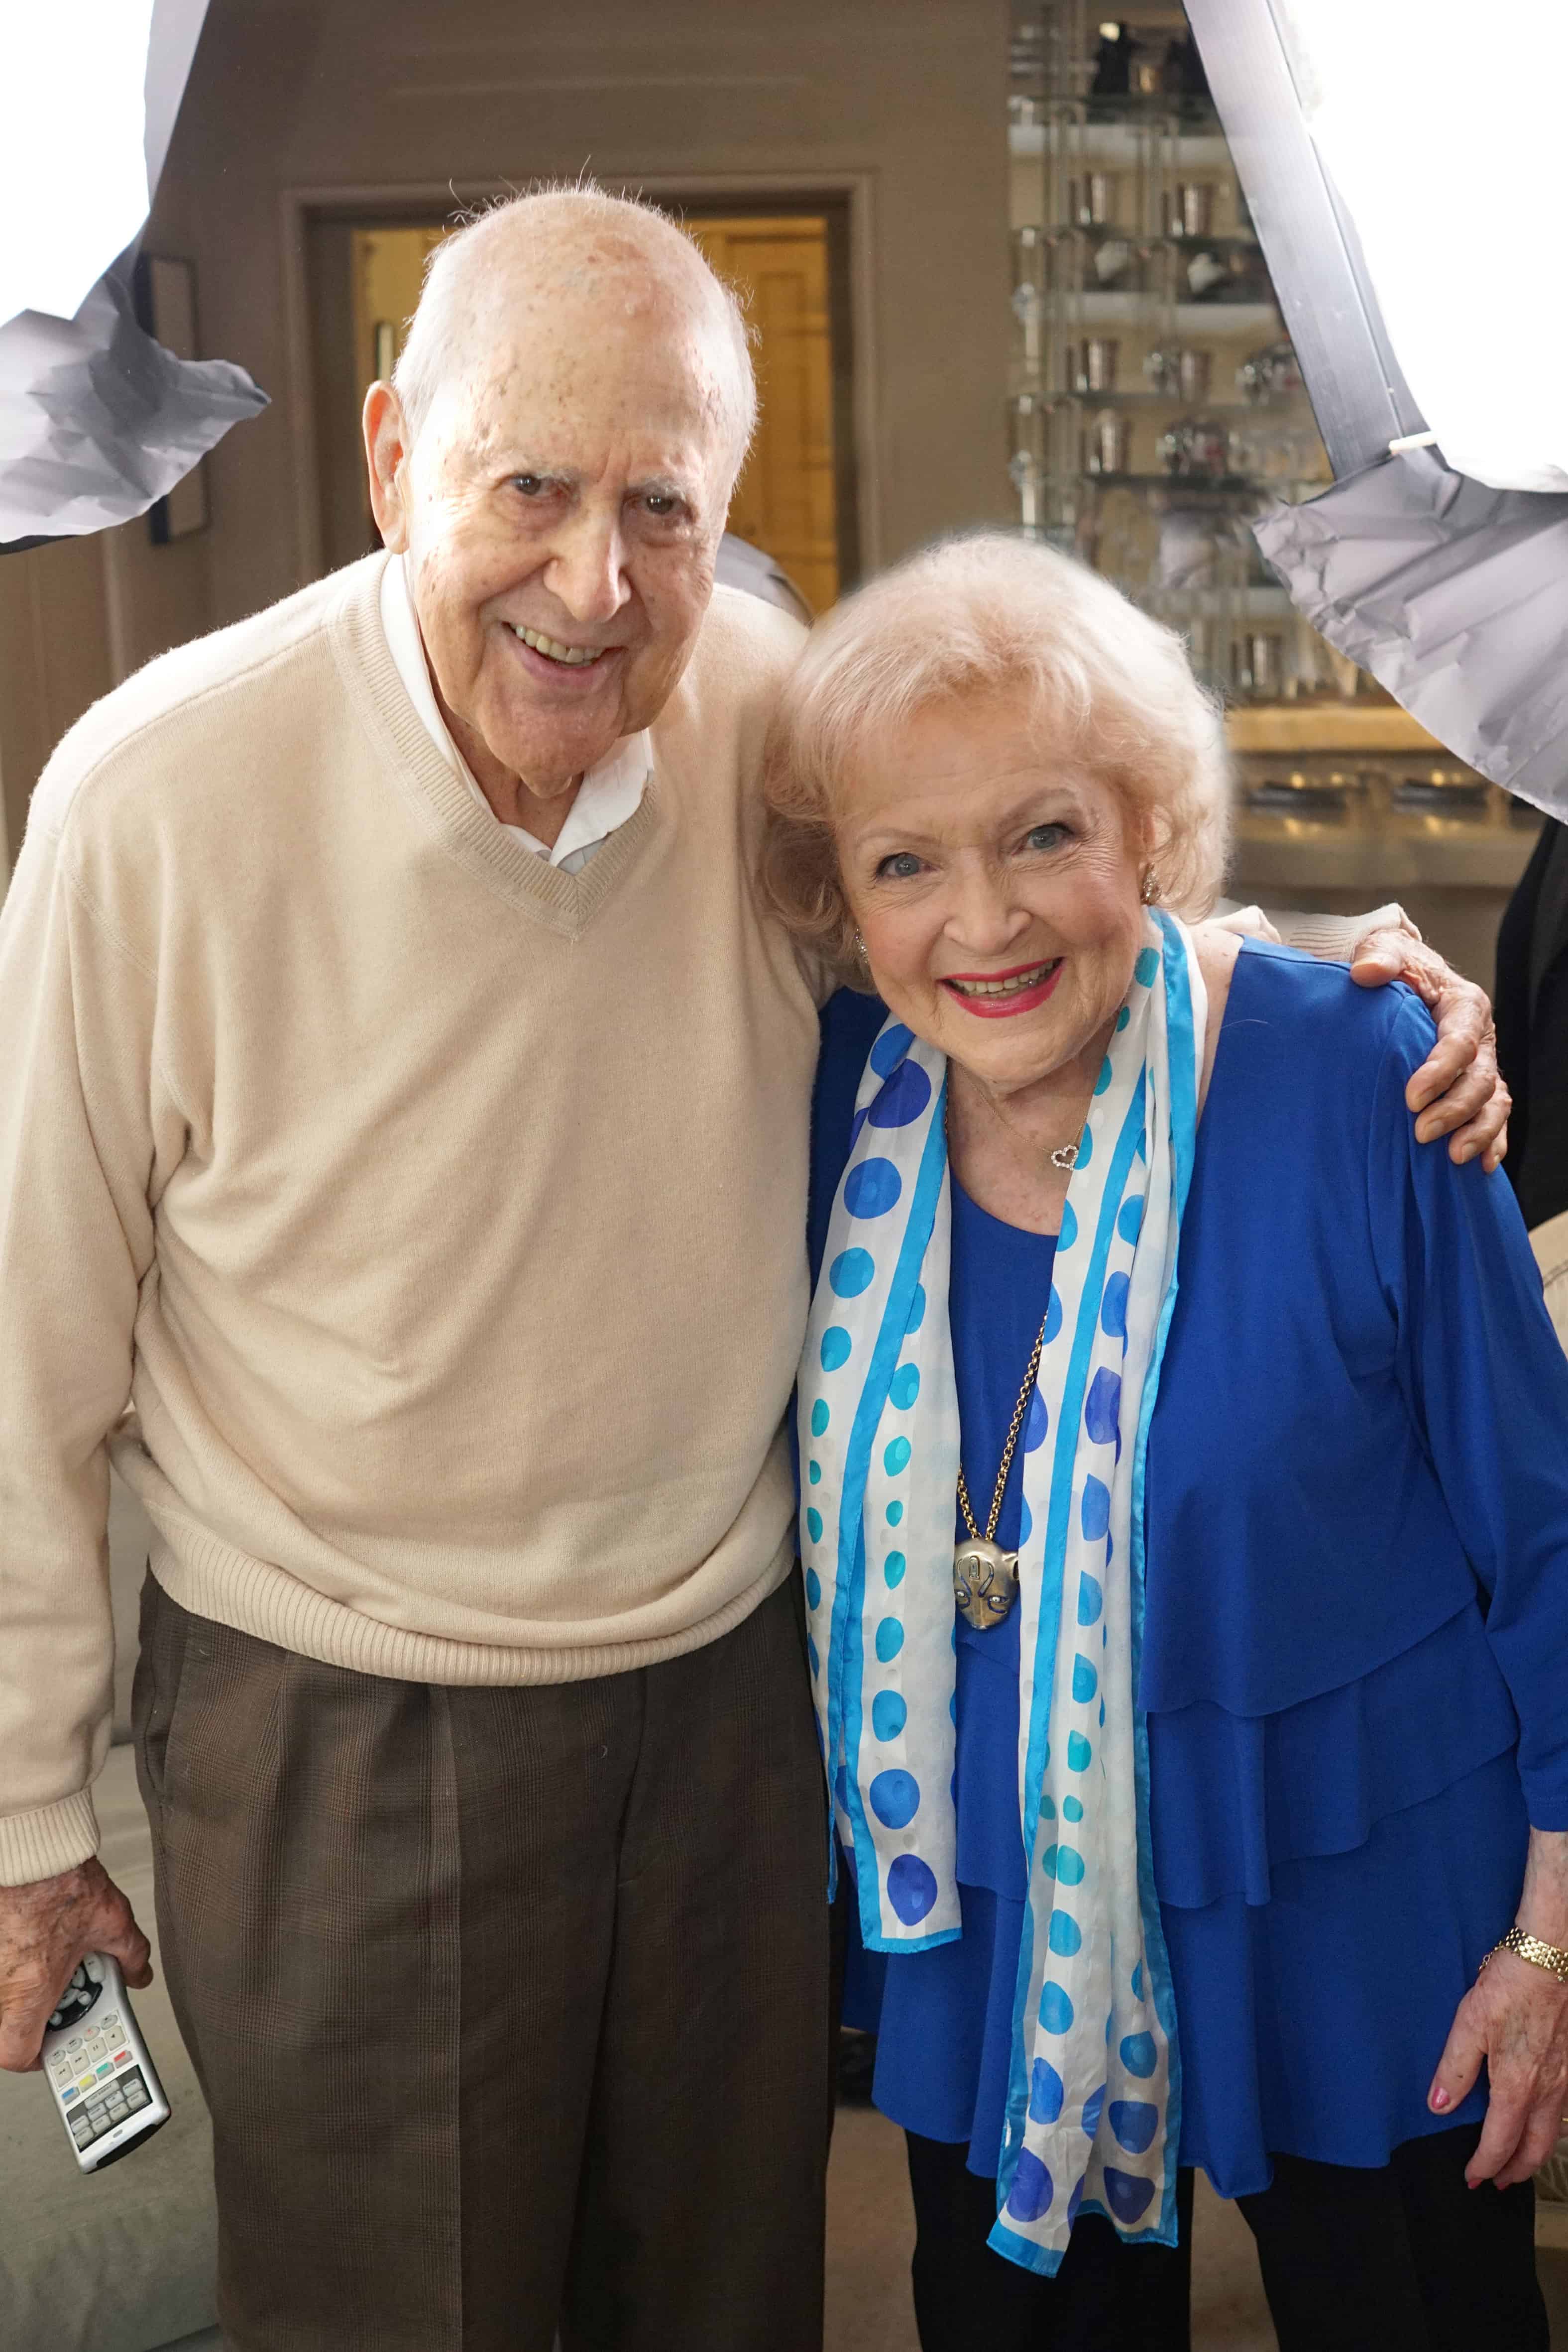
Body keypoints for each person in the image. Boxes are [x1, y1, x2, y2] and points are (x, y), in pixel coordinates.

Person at [0, 184, 1507, 2350]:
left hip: (732, 1693)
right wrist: (28, 1818)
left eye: (662, 507)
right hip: (345, 1710)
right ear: (389, 454)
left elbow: (1002, 911)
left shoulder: (759, 715)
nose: (594, 585)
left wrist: (1329, 983)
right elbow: (24, 1342)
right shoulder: (150, 797)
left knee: (722, 2303)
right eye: (530, 486)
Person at [763, 531, 1568, 2352]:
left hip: (1367, 1881)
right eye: (907, 863)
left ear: (1154, 837)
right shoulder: (832, 1107)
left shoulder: (1370, 1077)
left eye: (1046, 834)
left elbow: (1551, 1536)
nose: (983, 922)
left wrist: (1552, 1946)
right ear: (847, 898)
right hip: (992, 1885)